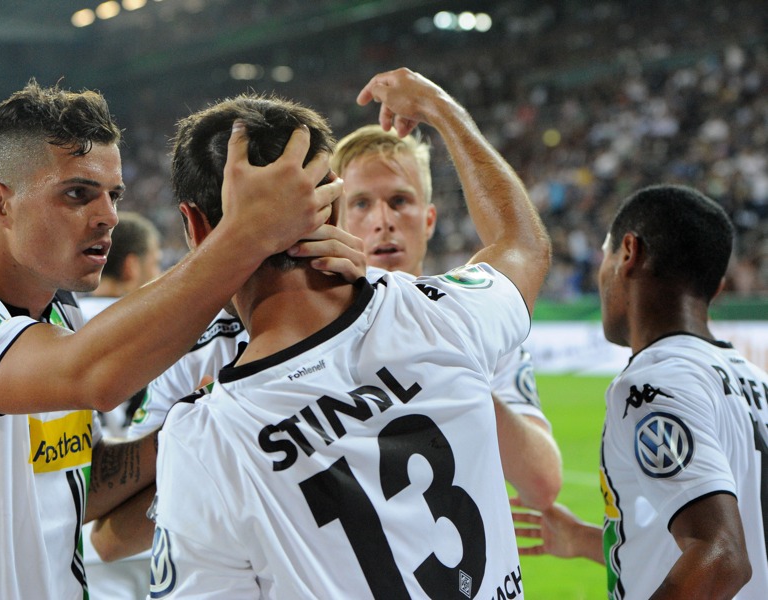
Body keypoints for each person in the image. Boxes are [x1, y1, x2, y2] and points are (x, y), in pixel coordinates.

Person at [0, 79, 362, 599]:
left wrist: (203, 414)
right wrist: (249, 234)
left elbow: (82, 483)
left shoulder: (61, 319)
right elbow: (90, 376)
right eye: (78, 194)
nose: (108, 216)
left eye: (114, 195)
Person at [148, 68, 551, 598]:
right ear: (335, 208)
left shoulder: (207, 439)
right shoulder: (443, 314)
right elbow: (524, 244)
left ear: (195, 227)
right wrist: (439, 107)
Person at [513, 184, 768, 599]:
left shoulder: (651, 384)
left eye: (605, 253)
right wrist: (582, 540)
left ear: (628, 253)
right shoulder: (758, 383)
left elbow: (721, 557)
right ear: (717, 287)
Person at [330, 87, 562, 510]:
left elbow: (543, 483)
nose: (383, 221)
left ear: (430, 219)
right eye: (361, 204)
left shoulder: (474, 320)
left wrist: (452, 367)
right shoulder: (309, 329)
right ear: (336, 222)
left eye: (400, 201)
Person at [77, 210, 163, 600]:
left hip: (80, 532)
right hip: (150, 528)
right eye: (156, 262)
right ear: (131, 266)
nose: (158, 271)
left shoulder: (61, 325)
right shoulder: (158, 327)